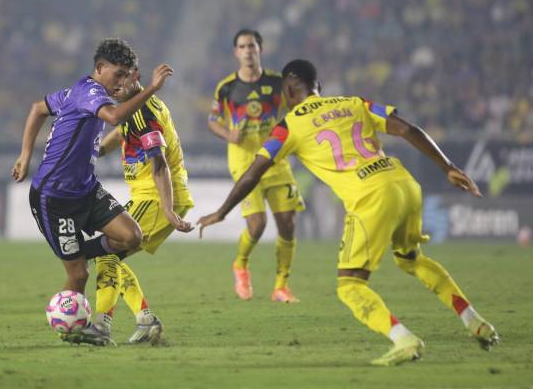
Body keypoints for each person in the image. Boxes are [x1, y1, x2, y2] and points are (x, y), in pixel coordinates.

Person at [197, 59, 500, 366]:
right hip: (404, 184)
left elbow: (253, 172)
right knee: (412, 259)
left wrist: (223, 211)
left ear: (288, 88)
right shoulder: (355, 102)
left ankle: (404, 339)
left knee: (350, 285)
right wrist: (447, 167)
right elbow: (407, 129)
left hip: (370, 195)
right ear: (319, 87)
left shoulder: (288, 126)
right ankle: (475, 321)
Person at [11, 38, 173, 345]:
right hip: (53, 198)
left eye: (128, 75)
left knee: (131, 236)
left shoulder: (76, 91)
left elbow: (37, 108)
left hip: (85, 190)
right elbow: (114, 117)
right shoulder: (89, 92)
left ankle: (76, 254)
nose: (123, 81)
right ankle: (74, 330)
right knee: (79, 276)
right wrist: (151, 88)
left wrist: (24, 155)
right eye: (119, 74)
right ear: (100, 68)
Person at [92, 67, 194, 345]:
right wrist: (96, 150)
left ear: (135, 76)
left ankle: (102, 325)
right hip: (149, 196)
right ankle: (145, 319)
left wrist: (169, 209)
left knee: (106, 256)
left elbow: (158, 163)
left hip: (155, 197)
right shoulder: (134, 109)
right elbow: (121, 132)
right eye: (113, 79)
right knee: (108, 255)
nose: (116, 85)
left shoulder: (143, 112)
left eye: (122, 78)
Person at [208, 29, 305, 302]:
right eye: (242, 46)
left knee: (287, 224)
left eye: (252, 45)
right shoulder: (226, 87)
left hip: (276, 158)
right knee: (258, 224)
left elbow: (299, 110)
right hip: (244, 161)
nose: (248, 50)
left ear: (260, 49)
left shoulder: (278, 83)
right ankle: (240, 264)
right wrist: (228, 134)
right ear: (236, 52)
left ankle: (281, 286)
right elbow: (213, 120)